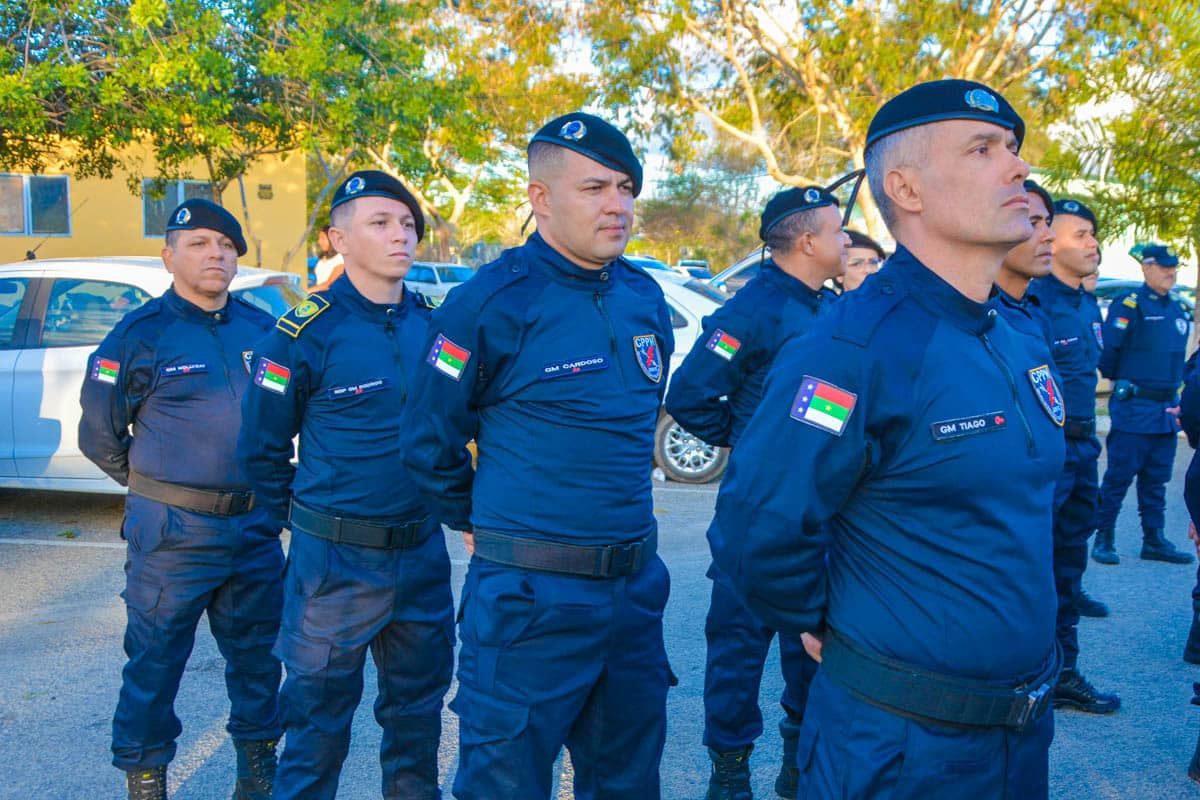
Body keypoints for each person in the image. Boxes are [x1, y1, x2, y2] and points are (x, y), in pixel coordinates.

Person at [709, 79, 1066, 798]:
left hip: (1019, 734)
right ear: (905, 188)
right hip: (898, 746)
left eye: (1013, 149)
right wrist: (818, 624)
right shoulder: (852, 346)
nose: (1017, 168)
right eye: (983, 149)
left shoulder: (1017, 333)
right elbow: (759, 526)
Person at [399, 112, 674, 800]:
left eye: (625, 187)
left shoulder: (644, 296)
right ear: (540, 199)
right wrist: (480, 518)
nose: (618, 205)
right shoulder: (487, 304)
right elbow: (428, 439)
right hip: (530, 601)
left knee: (629, 782)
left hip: (633, 594)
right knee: (504, 784)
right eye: (594, 188)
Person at [237, 170, 453, 800]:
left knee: (417, 721)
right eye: (380, 223)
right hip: (334, 563)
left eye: (408, 224)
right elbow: (261, 449)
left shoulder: (438, 324)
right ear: (338, 239)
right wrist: (312, 519)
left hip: (420, 554)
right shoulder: (306, 332)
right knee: (316, 727)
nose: (401, 236)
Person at [79, 199, 283, 800]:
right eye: (198, 243)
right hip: (171, 532)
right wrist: (158, 486)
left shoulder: (262, 329)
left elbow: (284, 414)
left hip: (253, 530)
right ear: (169, 257)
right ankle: (146, 779)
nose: (215, 254)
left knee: (259, 660)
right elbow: (99, 435)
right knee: (155, 661)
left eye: (225, 246)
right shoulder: (141, 335)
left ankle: (257, 774)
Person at [665, 186, 847, 800]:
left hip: (821, 511)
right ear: (807, 241)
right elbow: (690, 394)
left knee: (811, 641)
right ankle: (730, 774)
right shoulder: (754, 309)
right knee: (739, 648)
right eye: (839, 230)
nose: (847, 241)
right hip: (756, 510)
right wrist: (753, 446)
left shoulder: (829, 308)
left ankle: (797, 764)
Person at [1026, 197, 1120, 714]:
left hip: (1085, 445)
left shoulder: (1086, 302)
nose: (1093, 244)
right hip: (1054, 452)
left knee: (1069, 562)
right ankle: (1037, 670)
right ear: (1050, 240)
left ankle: (1065, 671)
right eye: (1080, 234)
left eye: (1093, 234)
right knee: (1038, 565)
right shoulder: (1034, 306)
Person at [1093, 243, 1194, 565]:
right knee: (1119, 478)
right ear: (1146, 268)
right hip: (1135, 408)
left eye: (1173, 267)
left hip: (1165, 410)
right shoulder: (1131, 304)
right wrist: (1122, 382)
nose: (1170, 272)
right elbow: (1109, 354)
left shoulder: (1177, 307)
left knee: (1156, 481)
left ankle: (1154, 539)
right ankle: (1103, 537)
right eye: (1163, 267)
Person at [992, 179, 1054, 342]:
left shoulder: (1036, 314)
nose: (1049, 236)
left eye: (1047, 223)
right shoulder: (977, 318)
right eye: (1033, 223)